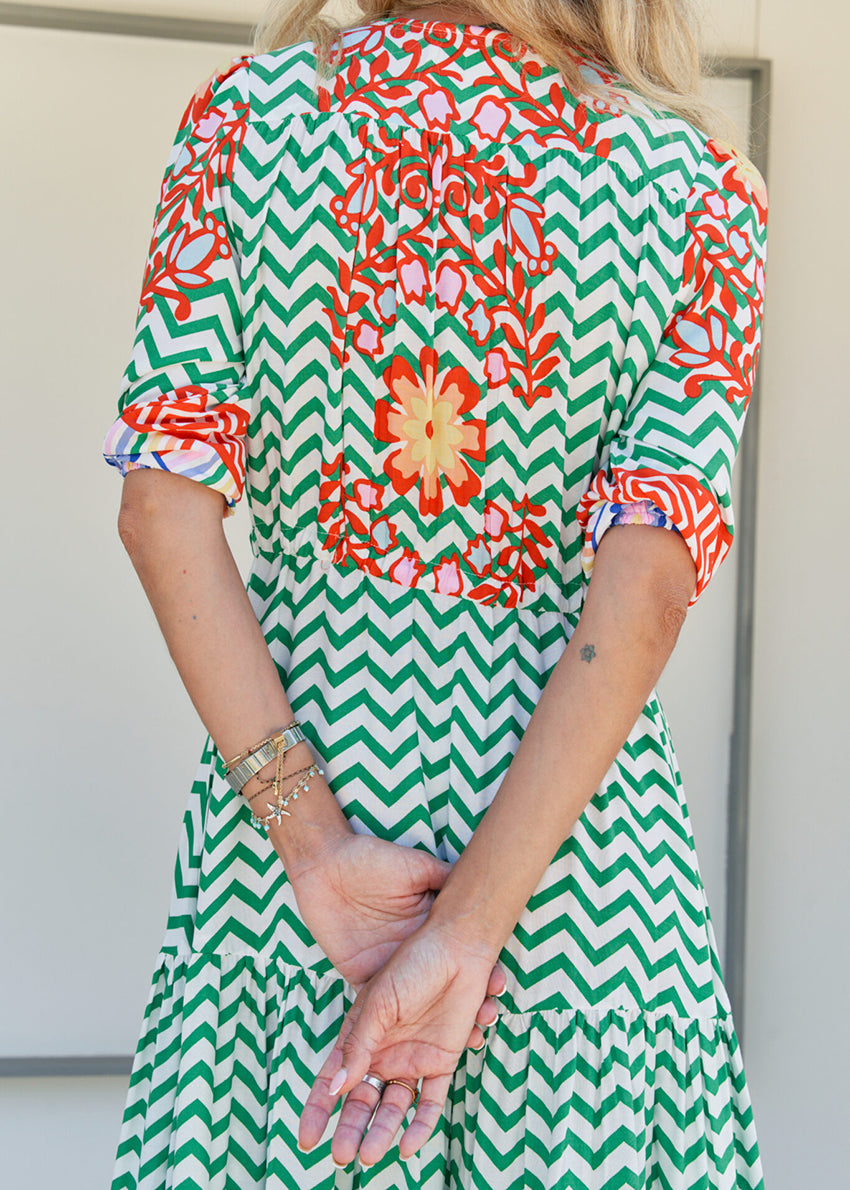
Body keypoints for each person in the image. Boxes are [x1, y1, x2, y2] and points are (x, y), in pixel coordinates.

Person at [103, 0, 768, 1185]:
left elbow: (161, 509)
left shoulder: (243, 126)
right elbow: (648, 588)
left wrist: (310, 846)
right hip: (577, 878)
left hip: (305, 885)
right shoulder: (700, 187)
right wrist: (467, 930)